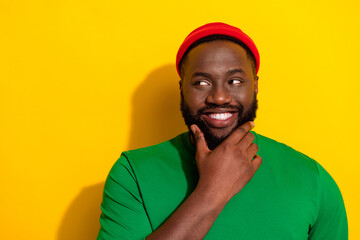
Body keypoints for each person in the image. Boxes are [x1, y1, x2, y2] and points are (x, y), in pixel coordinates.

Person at [97, 22, 348, 239]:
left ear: (256, 87)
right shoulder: (132, 174)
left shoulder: (312, 180)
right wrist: (212, 191)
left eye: (235, 81)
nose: (219, 97)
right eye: (201, 82)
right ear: (182, 89)